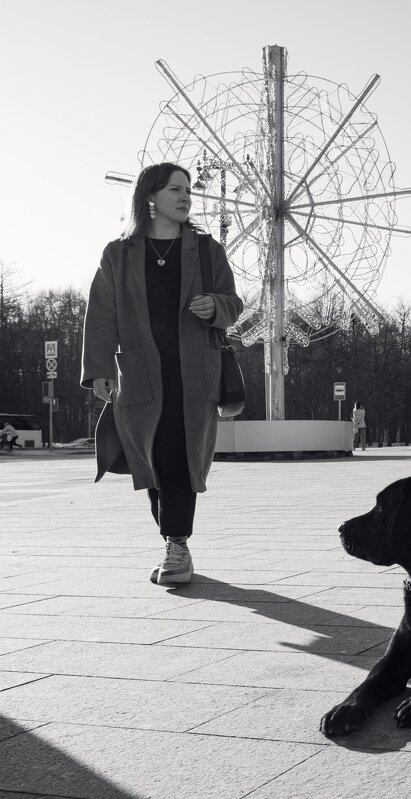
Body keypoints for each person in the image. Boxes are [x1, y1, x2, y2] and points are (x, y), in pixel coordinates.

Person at [82, 162, 243, 586]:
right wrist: (98, 368)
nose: (186, 196)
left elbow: (233, 302)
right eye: (175, 189)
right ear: (150, 197)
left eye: (188, 189)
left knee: (180, 456)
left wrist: (215, 306)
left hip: (195, 373)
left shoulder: (208, 251)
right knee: (151, 458)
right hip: (139, 373)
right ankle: (173, 539)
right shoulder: (118, 253)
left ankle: (177, 544)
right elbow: (100, 313)